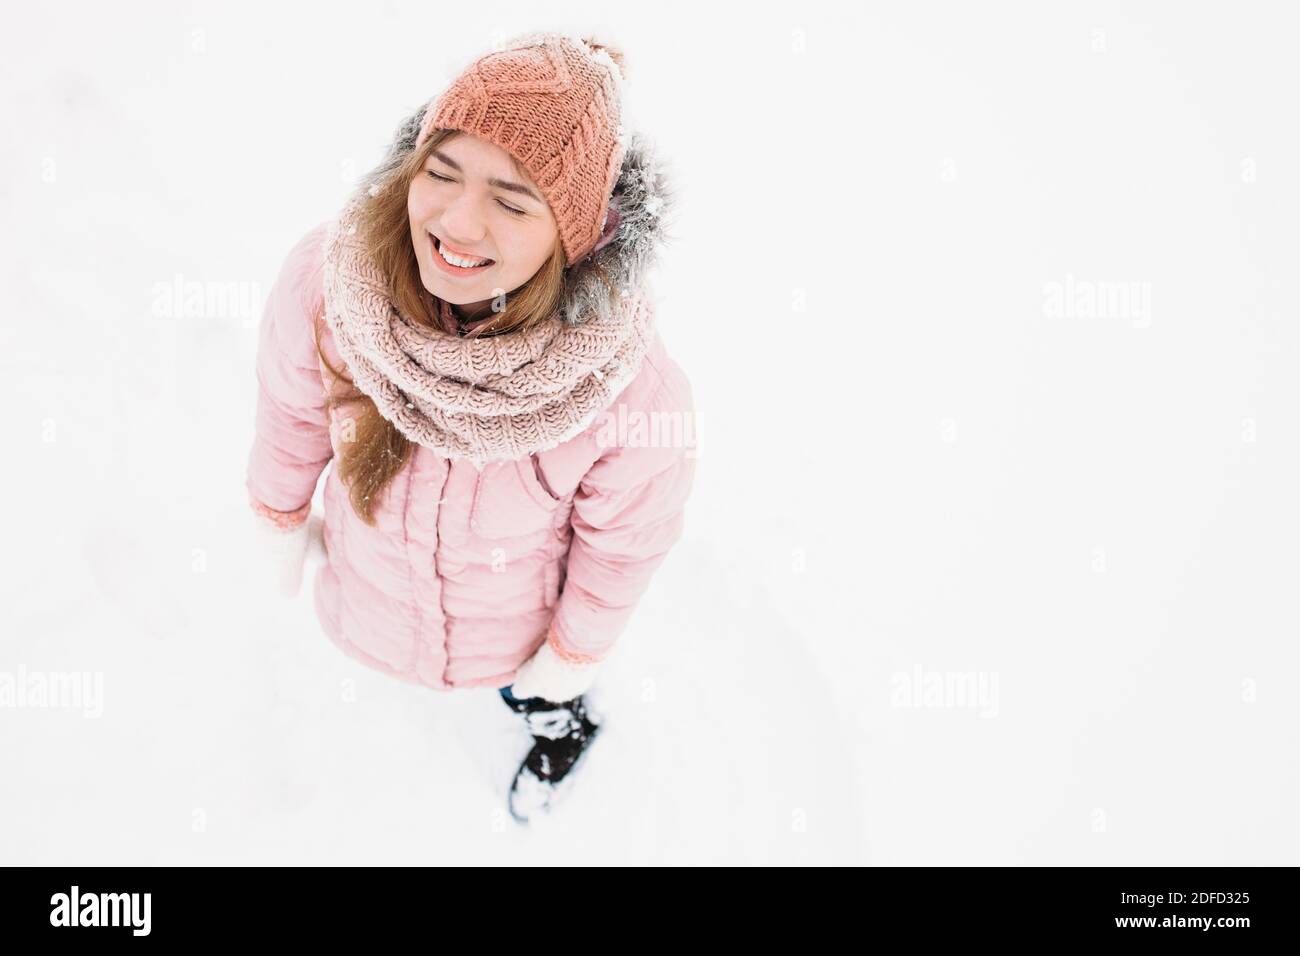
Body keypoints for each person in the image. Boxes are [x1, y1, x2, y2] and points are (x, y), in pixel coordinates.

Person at [244, 31, 697, 823]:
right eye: (441, 172)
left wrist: (570, 655)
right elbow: (289, 410)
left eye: (514, 200)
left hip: (512, 635)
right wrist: (279, 512)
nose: (457, 222)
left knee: (534, 695)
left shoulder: (628, 393)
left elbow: (621, 548)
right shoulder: (331, 287)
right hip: (370, 588)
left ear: (579, 237)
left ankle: (556, 724)